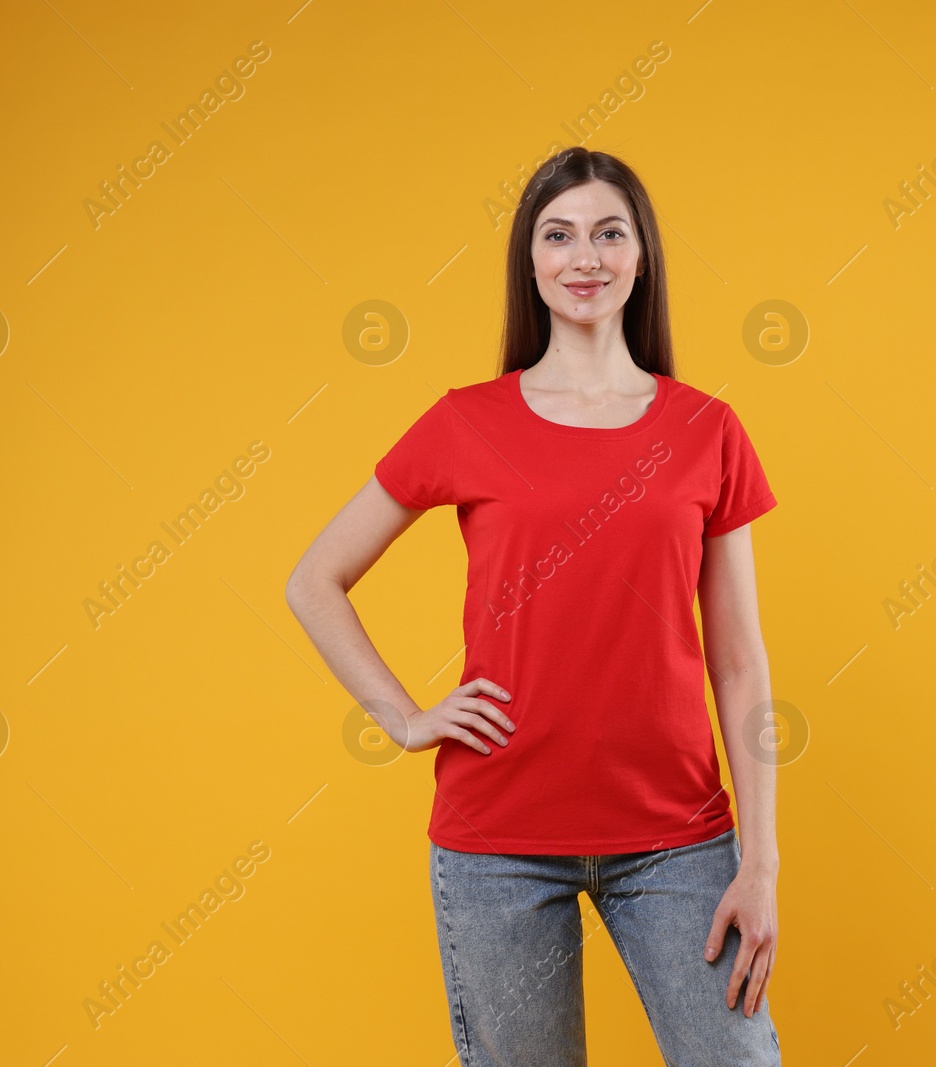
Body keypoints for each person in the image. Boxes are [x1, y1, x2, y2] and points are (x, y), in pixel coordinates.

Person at [284, 146, 782, 1065]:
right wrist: (403, 717)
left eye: (607, 233)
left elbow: (741, 662)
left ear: (641, 257)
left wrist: (762, 859)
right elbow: (314, 580)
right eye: (558, 235)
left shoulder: (706, 429)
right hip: (497, 842)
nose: (583, 256)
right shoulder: (467, 421)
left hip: (677, 838)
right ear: (531, 261)